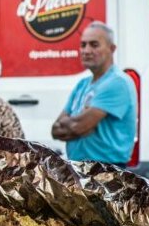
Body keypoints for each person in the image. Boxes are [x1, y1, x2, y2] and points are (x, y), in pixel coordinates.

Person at [51, 22, 137, 167]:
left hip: (107, 171)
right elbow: (55, 130)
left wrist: (71, 122)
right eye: (83, 45)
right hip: (80, 168)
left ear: (112, 48)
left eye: (94, 45)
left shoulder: (117, 82)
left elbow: (79, 127)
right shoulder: (82, 84)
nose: (86, 50)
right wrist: (80, 123)